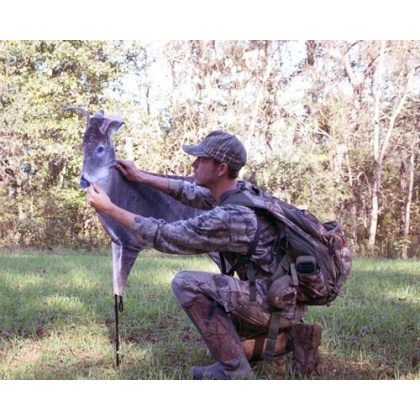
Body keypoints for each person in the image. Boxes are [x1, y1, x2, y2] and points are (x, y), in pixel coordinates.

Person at [87, 130, 322, 380]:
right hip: (281, 296)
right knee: (235, 340)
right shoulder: (241, 191)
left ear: (220, 168)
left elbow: (168, 235)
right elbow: (187, 192)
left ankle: (236, 370)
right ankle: (290, 338)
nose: (193, 164)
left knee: (186, 283)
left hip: (272, 302)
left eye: (201, 160)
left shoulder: (230, 216)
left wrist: (111, 209)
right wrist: (141, 177)